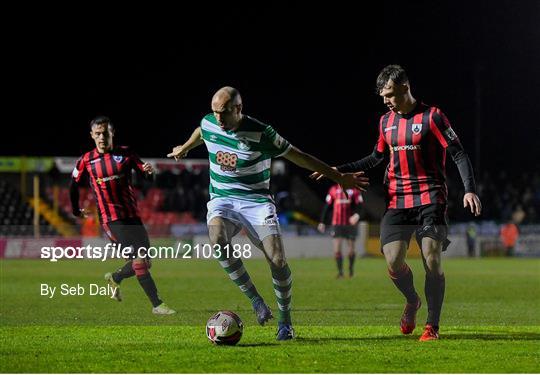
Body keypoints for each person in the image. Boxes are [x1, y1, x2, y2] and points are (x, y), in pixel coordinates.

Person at [167, 86, 369, 340]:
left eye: (224, 112)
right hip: (223, 199)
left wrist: (338, 177)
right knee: (217, 238)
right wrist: (185, 147)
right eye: (215, 112)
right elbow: (201, 132)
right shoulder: (210, 123)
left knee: (277, 259)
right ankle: (255, 300)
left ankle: (285, 322)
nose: (218, 118)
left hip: (256, 201)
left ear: (238, 109)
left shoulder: (262, 133)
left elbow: (300, 157)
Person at [311, 65, 482, 341]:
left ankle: (432, 326)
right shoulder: (385, 122)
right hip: (398, 199)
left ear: (405, 87)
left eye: (389, 94)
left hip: (430, 197)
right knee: (392, 260)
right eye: (383, 97)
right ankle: (412, 300)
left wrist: (469, 190)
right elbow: (376, 157)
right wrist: (337, 171)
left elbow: (458, 154)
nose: (386, 101)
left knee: (432, 258)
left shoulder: (433, 117)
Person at [70, 116, 175, 315]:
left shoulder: (126, 154)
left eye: (105, 133)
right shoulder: (86, 160)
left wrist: (149, 172)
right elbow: (73, 185)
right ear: (92, 135)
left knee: (145, 261)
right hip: (111, 219)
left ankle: (116, 277)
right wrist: (76, 209)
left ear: (112, 133)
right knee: (139, 259)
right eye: (98, 133)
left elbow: (146, 175)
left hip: (132, 217)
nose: (102, 137)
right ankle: (157, 305)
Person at [317, 184, 364, 278]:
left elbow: (361, 206)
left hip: (349, 224)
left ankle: (351, 270)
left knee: (351, 250)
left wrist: (357, 215)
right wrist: (322, 221)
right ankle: (340, 272)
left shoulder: (354, 190)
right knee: (337, 250)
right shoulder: (333, 189)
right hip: (336, 224)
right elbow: (327, 206)